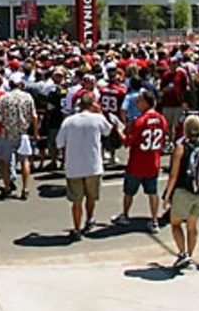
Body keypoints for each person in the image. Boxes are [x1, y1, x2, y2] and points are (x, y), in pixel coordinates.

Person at [55, 92, 113, 238]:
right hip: (93, 164)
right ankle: (89, 218)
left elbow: (59, 142)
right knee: (91, 197)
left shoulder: (69, 121)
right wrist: (100, 112)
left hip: (74, 166)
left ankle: (76, 228)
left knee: (76, 200)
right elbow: (108, 131)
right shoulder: (98, 119)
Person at [113, 89, 167, 232]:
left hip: (137, 163)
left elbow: (127, 142)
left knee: (129, 192)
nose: (136, 104)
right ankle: (154, 220)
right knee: (152, 192)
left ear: (146, 102)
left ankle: (125, 215)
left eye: (139, 101)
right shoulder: (161, 119)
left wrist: (118, 129)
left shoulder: (140, 121)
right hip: (153, 162)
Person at [164, 114, 199, 269]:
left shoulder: (181, 148)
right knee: (192, 226)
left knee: (175, 223)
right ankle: (190, 253)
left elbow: (173, 175)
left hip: (183, 191)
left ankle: (182, 253)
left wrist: (167, 195)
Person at [0, 82, 37, 200]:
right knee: (24, 160)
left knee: (4, 161)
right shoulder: (28, 97)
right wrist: (36, 133)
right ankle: (25, 188)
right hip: (23, 133)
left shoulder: (4, 98)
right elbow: (34, 116)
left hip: (7, 133)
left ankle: (7, 187)